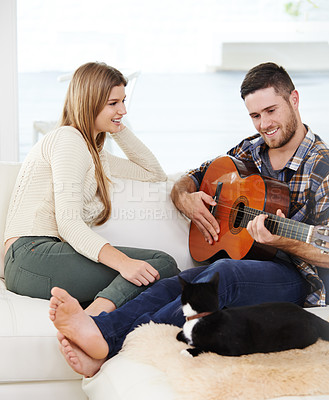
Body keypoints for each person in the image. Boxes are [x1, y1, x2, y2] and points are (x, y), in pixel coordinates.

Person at [49, 62, 329, 377]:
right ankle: (101, 331)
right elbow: (190, 177)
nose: (264, 124)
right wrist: (187, 199)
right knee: (173, 284)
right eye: (255, 116)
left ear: (294, 99)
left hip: (300, 279)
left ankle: (106, 343)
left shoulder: (322, 169)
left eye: (270, 111)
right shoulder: (250, 150)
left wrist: (282, 240)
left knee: (222, 275)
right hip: (252, 262)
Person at [4, 62, 179, 317]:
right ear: (89, 102)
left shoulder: (95, 153)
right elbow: (67, 223)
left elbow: (153, 173)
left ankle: (97, 321)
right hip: (31, 256)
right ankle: (92, 318)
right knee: (160, 264)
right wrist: (124, 264)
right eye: (113, 103)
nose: (123, 109)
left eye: (123, 101)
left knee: (160, 268)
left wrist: (116, 125)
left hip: (39, 259)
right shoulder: (68, 139)